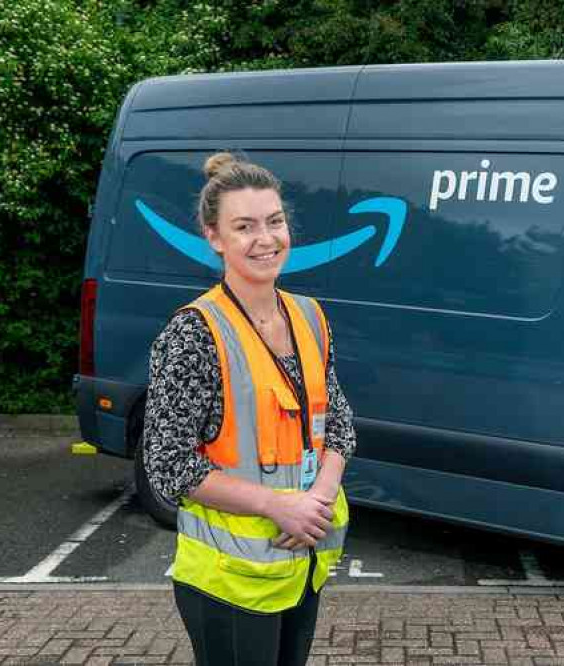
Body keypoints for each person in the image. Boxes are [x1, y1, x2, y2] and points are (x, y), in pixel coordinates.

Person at [142, 152, 356, 666]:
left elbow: (340, 425)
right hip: (228, 583)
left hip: (299, 564)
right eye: (244, 227)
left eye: (275, 222)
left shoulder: (308, 314)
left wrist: (318, 499)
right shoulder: (195, 333)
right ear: (214, 237)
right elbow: (167, 463)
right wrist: (276, 505)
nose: (266, 239)